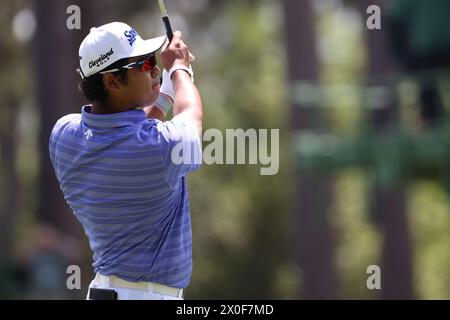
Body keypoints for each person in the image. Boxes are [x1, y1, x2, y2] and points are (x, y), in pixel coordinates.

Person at [48, 21, 203, 300]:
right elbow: (192, 116)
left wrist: (163, 93)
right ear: (111, 81)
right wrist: (180, 71)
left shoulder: (63, 135)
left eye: (152, 61)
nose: (154, 68)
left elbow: (128, 135)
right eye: (143, 64)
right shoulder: (160, 147)